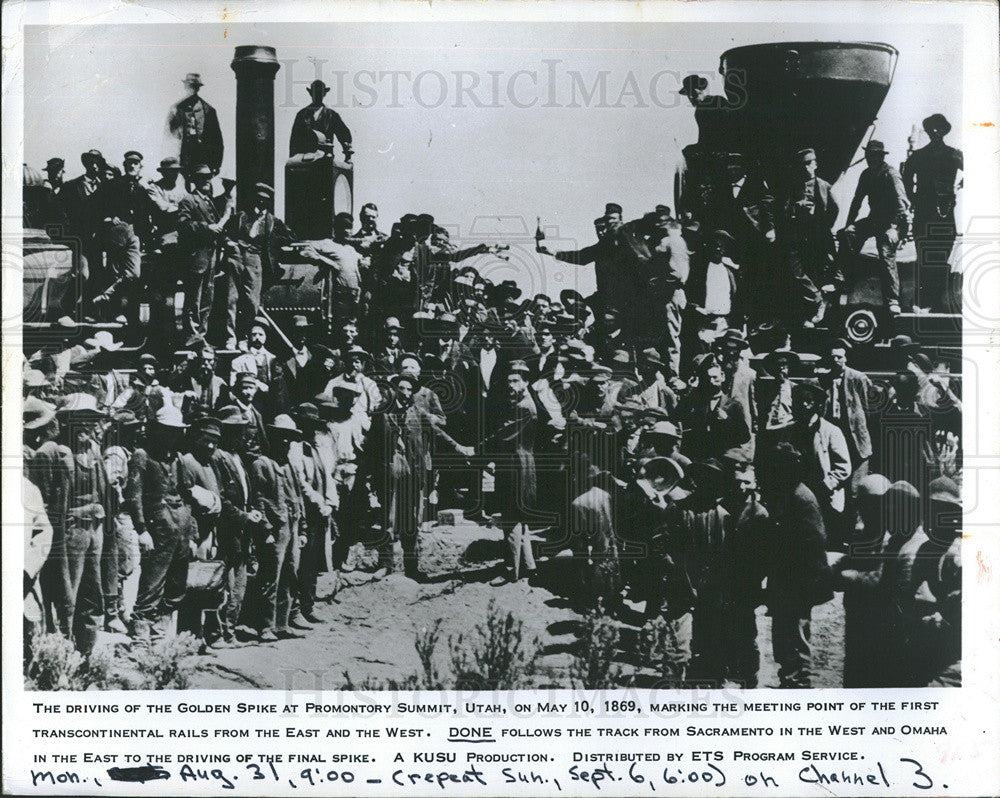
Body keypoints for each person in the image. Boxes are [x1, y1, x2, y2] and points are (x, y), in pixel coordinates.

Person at [126, 402, 199, 643]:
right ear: (156, 429)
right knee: (151, 586)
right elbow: (134, 496)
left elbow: (187, 497)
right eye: (167, 430)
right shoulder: (142, 456)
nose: (172, 435)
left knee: (176, 589)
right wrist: (142, 530)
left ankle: (159, 637)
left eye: (176, 431)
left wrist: (192, 535)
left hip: (180, 532)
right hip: (157, 532)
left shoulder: (178, 459)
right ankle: (140, 639)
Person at [762, 442, 833, 688]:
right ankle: (790, 677)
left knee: (795, 631)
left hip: (799, 579)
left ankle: (801, 681)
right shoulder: (788, 493)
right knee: (784, 630)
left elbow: (814, 540)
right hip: (789, 578)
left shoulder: (801, 497)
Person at [210, 405, 264, 646]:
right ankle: (218, 632)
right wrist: (243, 516)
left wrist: (250, 513)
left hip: (241, 532)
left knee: (239, 584)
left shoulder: (238, 458)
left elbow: (245, 493)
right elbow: (221, 498)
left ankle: (229, 631)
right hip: (225, 531)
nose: (242, 436)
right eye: (236, 431)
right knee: (225, 584)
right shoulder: (217, 458)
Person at [838, 140, 910, 316]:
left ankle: (893, 300)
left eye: (874, 155)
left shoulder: (891, 175)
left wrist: (894, 228)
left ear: (880, 156)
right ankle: (844, 280)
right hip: (875, 220)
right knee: (849, 233)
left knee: (885, 249)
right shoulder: (866, 175)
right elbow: (856, 202)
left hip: (893, 222)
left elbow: (902, 205)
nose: (870, 159)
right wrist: (849, 224)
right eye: (868, 155)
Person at [250, 414, 305, 642]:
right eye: (281, 438)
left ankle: (282, 623)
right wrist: (266, 530)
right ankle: (265, 626)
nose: (284, 443)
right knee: (270, 577)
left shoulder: (289, 465)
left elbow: (298, 498)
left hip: (291, 526)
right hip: (275, 529)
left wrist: (302, 529)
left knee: (290, 575)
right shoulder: (261, 464)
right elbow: (259, 499)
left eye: (288, 439)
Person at [483, 362, 539, 585]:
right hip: (520, 463)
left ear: (526, 382)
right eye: (509, 381)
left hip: (515, 465)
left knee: (510, 518)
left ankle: (510, 571)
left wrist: (475, 451)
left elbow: (502, 435)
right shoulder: (523, 403)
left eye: (516, 381)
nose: (511, 386)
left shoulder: (524, 407)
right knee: (519, 518)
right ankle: (529, 566)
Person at [902, 113, 963, 311]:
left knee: (941, 256)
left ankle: (936, 303)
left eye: (939, 129)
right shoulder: (918, 156)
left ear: (944, 131)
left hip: (945, 216)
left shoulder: (955, 155)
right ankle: (923, 303)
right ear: (928, 132)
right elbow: (906, 179)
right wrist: (914, 200)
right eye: (931, 129)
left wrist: (961, 185)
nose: (935, 132)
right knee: (924, 257)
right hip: (923, 215)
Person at [222, 183, 293, 347]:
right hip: (236, 257)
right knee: (231, 298)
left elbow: (290, 236)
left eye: (264, 201)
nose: (260, 204)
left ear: (269, 203)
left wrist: (274, 241)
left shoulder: (273, 222)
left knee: (252, 302)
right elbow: (225, 234)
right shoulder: (241, 217)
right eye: (258, 200)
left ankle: (244, 336)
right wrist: (230, 244)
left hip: (256, 260)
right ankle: (231, 337)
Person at [776, 148, 838, 326]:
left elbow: (834, 209)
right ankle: (817, 299)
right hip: (796, 236)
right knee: (796, 272)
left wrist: (823, 224)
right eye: (803, 165)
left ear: (815, 165)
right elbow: (783, 210)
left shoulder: (824, 186)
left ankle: (811, 314)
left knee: (813, 272)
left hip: (816, 237)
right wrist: (797, 208)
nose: (806, 168)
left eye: (809, 164)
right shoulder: (792, 186)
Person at [177, 164, 235, 343]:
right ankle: (191, 333)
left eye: (209, 177)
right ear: (195, 181)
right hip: (196, 258)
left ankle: (201, 335)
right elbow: (183, 225)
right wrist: (206, 227)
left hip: (211, 257)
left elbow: (219, 225)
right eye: (203, 178)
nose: (207, 181)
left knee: (207, 299)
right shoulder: (189, 200)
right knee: (194, 298)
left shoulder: (209, 201)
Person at [789, 380, 852, 543]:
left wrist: (827, 484)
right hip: (799, 494)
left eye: (805, 401)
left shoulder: (831, 431)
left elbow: (843, 466)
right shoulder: (790, 431)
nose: (798, 406)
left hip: (825, 495)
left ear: (811, 404)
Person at [289, 403, 333, 624]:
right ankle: (295, 609)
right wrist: (317, 501)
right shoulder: (296, 448)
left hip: (319, 513)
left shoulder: (315, 447)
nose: (311, 430)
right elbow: (300, 481)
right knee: (301, 560)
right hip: (303, 512)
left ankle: (309, 604)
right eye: (307, 425)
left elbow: (327, 477)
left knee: (313, 561)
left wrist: (331, 503)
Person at [301, 212, 363, 329]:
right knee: (338, 328)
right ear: (336, 228)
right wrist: (326, 261)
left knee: (352, 328)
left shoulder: (351, 249)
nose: (346, 231)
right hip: (339, 296)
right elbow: (305, 250)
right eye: (343, 227)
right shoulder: (328, 244)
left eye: (349, 227)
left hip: (354, 296)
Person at [168, 73, 224, 173]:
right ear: (185, 87)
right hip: (182, 159)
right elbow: (170, 137)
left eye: (194, 87)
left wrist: (216, 164)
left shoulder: (208, 110)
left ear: (198, 88)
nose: (191, 89)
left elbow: (216, 139)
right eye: (189, 86)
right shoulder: (176, 108)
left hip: (202, 160)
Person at [289, 79, 353, 161]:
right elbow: (294, 141)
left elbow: (344, 135)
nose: (317, 96)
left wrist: (347, 152)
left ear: (324, 94)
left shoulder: (332, 115)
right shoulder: (301, 115)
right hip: (304, 161)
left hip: (325, 160)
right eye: (315, 93)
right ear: (310, 93)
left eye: (320, 93)